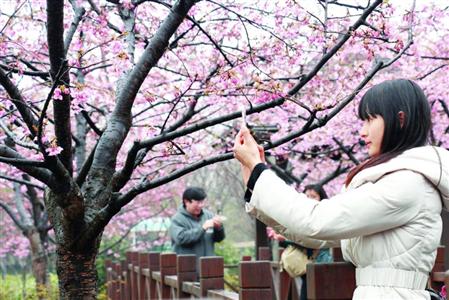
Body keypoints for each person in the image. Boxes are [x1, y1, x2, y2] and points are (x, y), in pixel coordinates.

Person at [233, 79, 449, 299]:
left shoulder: (407, 184)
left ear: (400, 119)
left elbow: (316, 222)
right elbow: (317, 235)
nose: (362, 132)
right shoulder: (404, 180)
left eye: (370, 119)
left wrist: (260, 172)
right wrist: (255, 176)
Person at [269, 184, 333, 300]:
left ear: (321, 198)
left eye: (313, 196)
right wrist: (282, 239)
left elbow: (313, 242)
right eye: (307, 196)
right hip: (307, 266)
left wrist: (286, 239)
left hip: (320, 263)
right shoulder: (301, 217)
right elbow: (299, 241)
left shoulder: (323, 216)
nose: (309, 199)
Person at [169, 187, 225, 261]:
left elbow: (219, 239)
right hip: (187, 267)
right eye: (198, 203)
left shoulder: (209, 216)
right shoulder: (177, 219)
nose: (200, 205)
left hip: (208, 266)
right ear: (186, 202)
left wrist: (219, 228)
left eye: (202, 202)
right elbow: (181, 238)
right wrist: (202, 228)